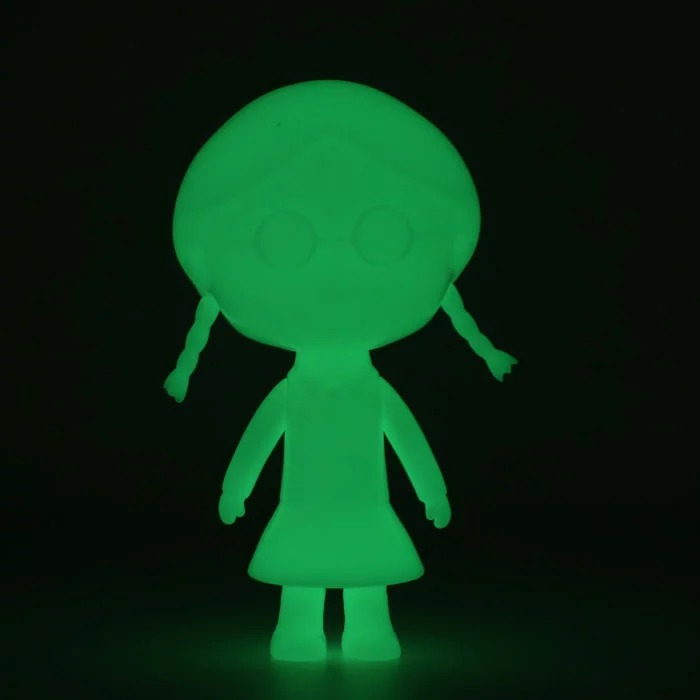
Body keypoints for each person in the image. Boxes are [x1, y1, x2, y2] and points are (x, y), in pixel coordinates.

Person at [164, 80, 517, 662]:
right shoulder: (298, 392)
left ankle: (369, 631)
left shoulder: (365, 391)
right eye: (286, 242)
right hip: (306, 508)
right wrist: (235, 487)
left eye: (380, 238)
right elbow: (260, 442)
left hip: (361, 507)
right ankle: (298, 631)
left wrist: (432, 491)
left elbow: (408, 442)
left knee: (363, 571)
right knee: (306, 571)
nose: (332, 275)